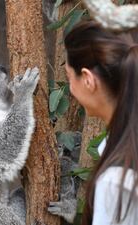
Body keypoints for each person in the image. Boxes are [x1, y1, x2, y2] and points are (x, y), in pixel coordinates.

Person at [64, 21, 138, 225]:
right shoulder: (120, 143)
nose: (70, 88)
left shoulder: (116, 181)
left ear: (87, 79)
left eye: (69, 77)